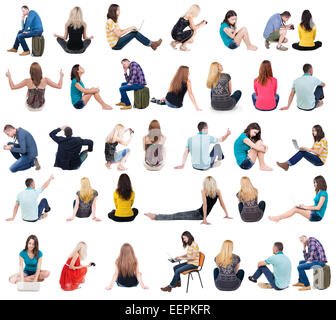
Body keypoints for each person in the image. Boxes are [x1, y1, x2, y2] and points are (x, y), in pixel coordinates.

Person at [145, 176, 231, 224]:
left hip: (199, 215)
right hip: (198, 213)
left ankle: (155, 217)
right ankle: (156, 215)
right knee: (177, 214)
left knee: (176, 216)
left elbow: (205, 205)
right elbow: (221, 204)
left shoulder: (204, 191)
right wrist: (226, 214)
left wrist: (204, 219)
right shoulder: (217, 191)